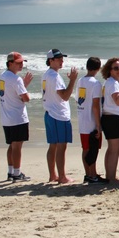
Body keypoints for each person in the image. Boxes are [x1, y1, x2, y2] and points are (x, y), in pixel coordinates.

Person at [42, 49, 78, 184]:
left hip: (51, 113)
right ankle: (61, 176)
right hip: (58, 115)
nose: (61, 61)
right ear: (50, 61)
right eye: (58, 59)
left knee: (53, 146)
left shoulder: (46, 74)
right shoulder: (54, 76)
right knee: (61, 146)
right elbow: (65, 96)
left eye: (62, 58)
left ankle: (53, 175)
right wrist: (73, 81)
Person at [0, 52, 33, 182]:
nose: (21, 65)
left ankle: (11, 172)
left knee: (12, 145)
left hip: (6, 117)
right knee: (17, 146)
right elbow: (26, 98)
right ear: (10, 63)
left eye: (22, 62)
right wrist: (23, 85)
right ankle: (17, 173)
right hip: (17, 117)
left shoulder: (3, 76)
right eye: (18, 63)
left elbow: (12, 93)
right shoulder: (15, 79)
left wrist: (23, 85)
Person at [100, 58, 119, 183]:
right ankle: (111, 177)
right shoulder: (112, 83)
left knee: (111, 149)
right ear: (109, 70)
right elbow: (118, 101)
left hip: (108, 117)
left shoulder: (108, 82)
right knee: (114, 150)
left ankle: (109, 175)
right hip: (113, 118)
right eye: (116, 68)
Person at [76, 57, 105, 184]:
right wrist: (98, 125)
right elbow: (95, 105)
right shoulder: (96, 83)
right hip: (91, 121)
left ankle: (88, 174)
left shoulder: (80, 81)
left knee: (86, 149)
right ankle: (92, 174)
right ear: (98, 68)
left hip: (82, 120)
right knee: (93, 149)